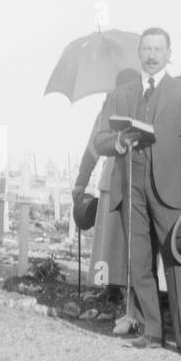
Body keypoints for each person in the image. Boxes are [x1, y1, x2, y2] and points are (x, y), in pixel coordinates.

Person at [93, 27, 181, 358]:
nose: (152, 54)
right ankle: (153, 332)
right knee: (139, 261)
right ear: (139, 53)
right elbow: (100, 139)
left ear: (168, 53)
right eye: (147, 48)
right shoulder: (122, 94)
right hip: (132, 186)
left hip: (171, 189)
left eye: (159, 48)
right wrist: (118, 141)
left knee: (177, 261)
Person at [74, 68, 140, 331]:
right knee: (108, 240)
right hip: (112, 180)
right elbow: (92, 147)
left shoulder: (145, 110)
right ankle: (110, 288)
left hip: (136, 182)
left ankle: (134, 295)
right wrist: (81, 180)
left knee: (131, 239)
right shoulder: (107, 111)